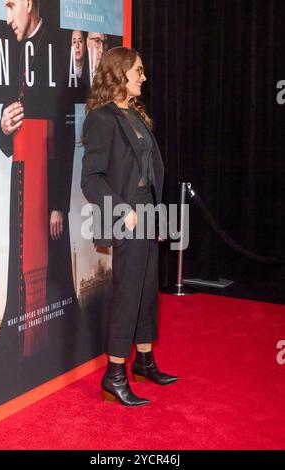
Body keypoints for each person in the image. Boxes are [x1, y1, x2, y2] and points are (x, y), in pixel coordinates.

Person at [81, 47, 179, 407]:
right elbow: (90, 179)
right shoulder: (101, 119)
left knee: (146, 289)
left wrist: (153, 213)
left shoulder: (135, 115)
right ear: (119, 72)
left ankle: (144, 361)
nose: (143, 77)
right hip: (127, 216)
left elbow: (149, 172)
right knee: (127, 292)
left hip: (147, 213)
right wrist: (124, 211)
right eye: (138, 71)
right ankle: (115, 374)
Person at [0, 0, 78, 361]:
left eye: (11, 6)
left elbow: (65, 137)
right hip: (22, 182)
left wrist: (59, 204)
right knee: (19, 265)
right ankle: (23, 342)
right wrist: (3, 126)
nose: (7, 17)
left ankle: (52, 342)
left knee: (55, 262)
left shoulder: (59, 46)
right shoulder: (9, 52)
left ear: (29, 3)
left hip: (50, 185)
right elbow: (5, 137)